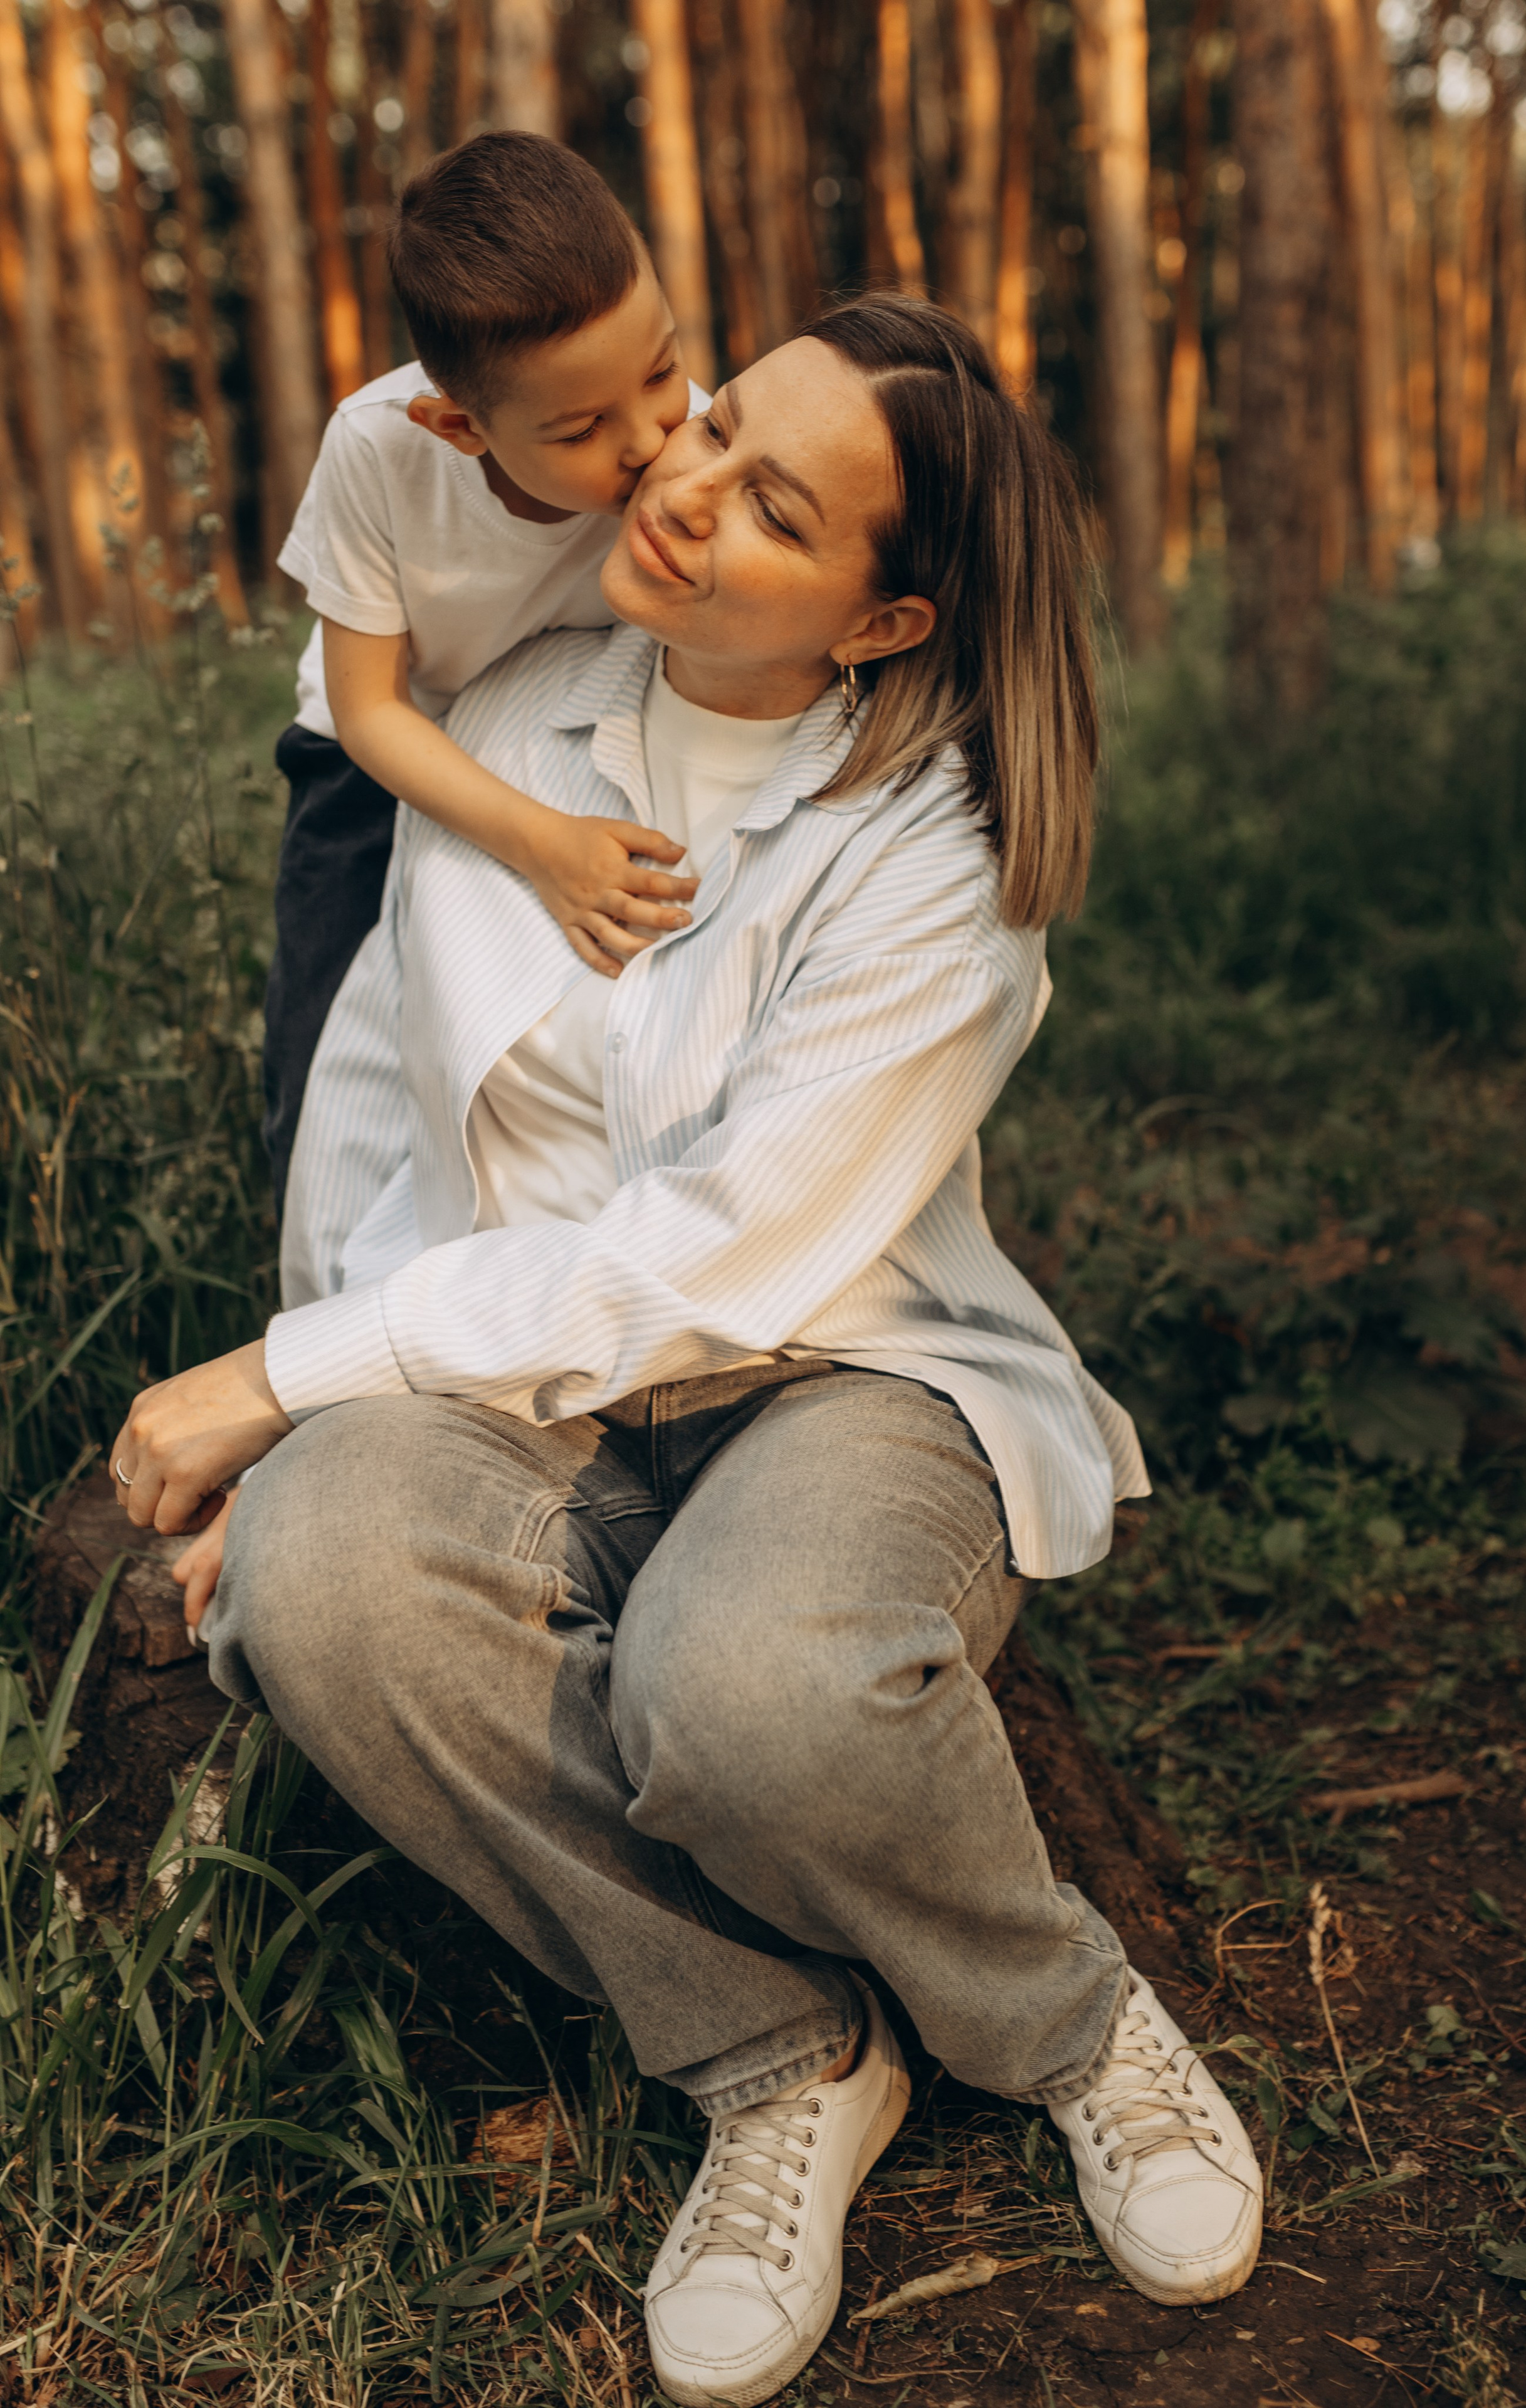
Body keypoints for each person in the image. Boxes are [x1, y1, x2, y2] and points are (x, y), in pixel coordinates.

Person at [112, 295, 1263, 2408]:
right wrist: (312, 1394)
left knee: (740, 1690)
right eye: (719, 427)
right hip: (518, 1388)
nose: (690, 492)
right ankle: (778, 2051)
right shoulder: (504, 724)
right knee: (318, 1582)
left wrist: (275, 1386)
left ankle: (1066, 2022)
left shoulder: (943, 862)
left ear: (883, 615)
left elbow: (724, 1258)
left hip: (841, 1375)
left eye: (776, 505)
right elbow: (381, 1113)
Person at [266, 131, 711, 1210]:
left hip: (587, 739)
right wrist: (545, 847)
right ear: (459, 426)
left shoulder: (700, 435)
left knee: (554, 1036)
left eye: (661, 369)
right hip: (379, 767)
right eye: (582, 428)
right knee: (323, 1056)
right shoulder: (377, 452)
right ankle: (317, 1272)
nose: (652, 437)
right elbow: (369, 711)